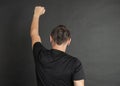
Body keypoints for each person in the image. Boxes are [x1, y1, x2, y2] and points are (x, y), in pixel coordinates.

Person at [30, 6, 85, 86]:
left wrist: (36, 14)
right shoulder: (75, 64)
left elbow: (34, 34)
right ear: (69, 41)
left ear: (50, 38)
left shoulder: (40, 55)